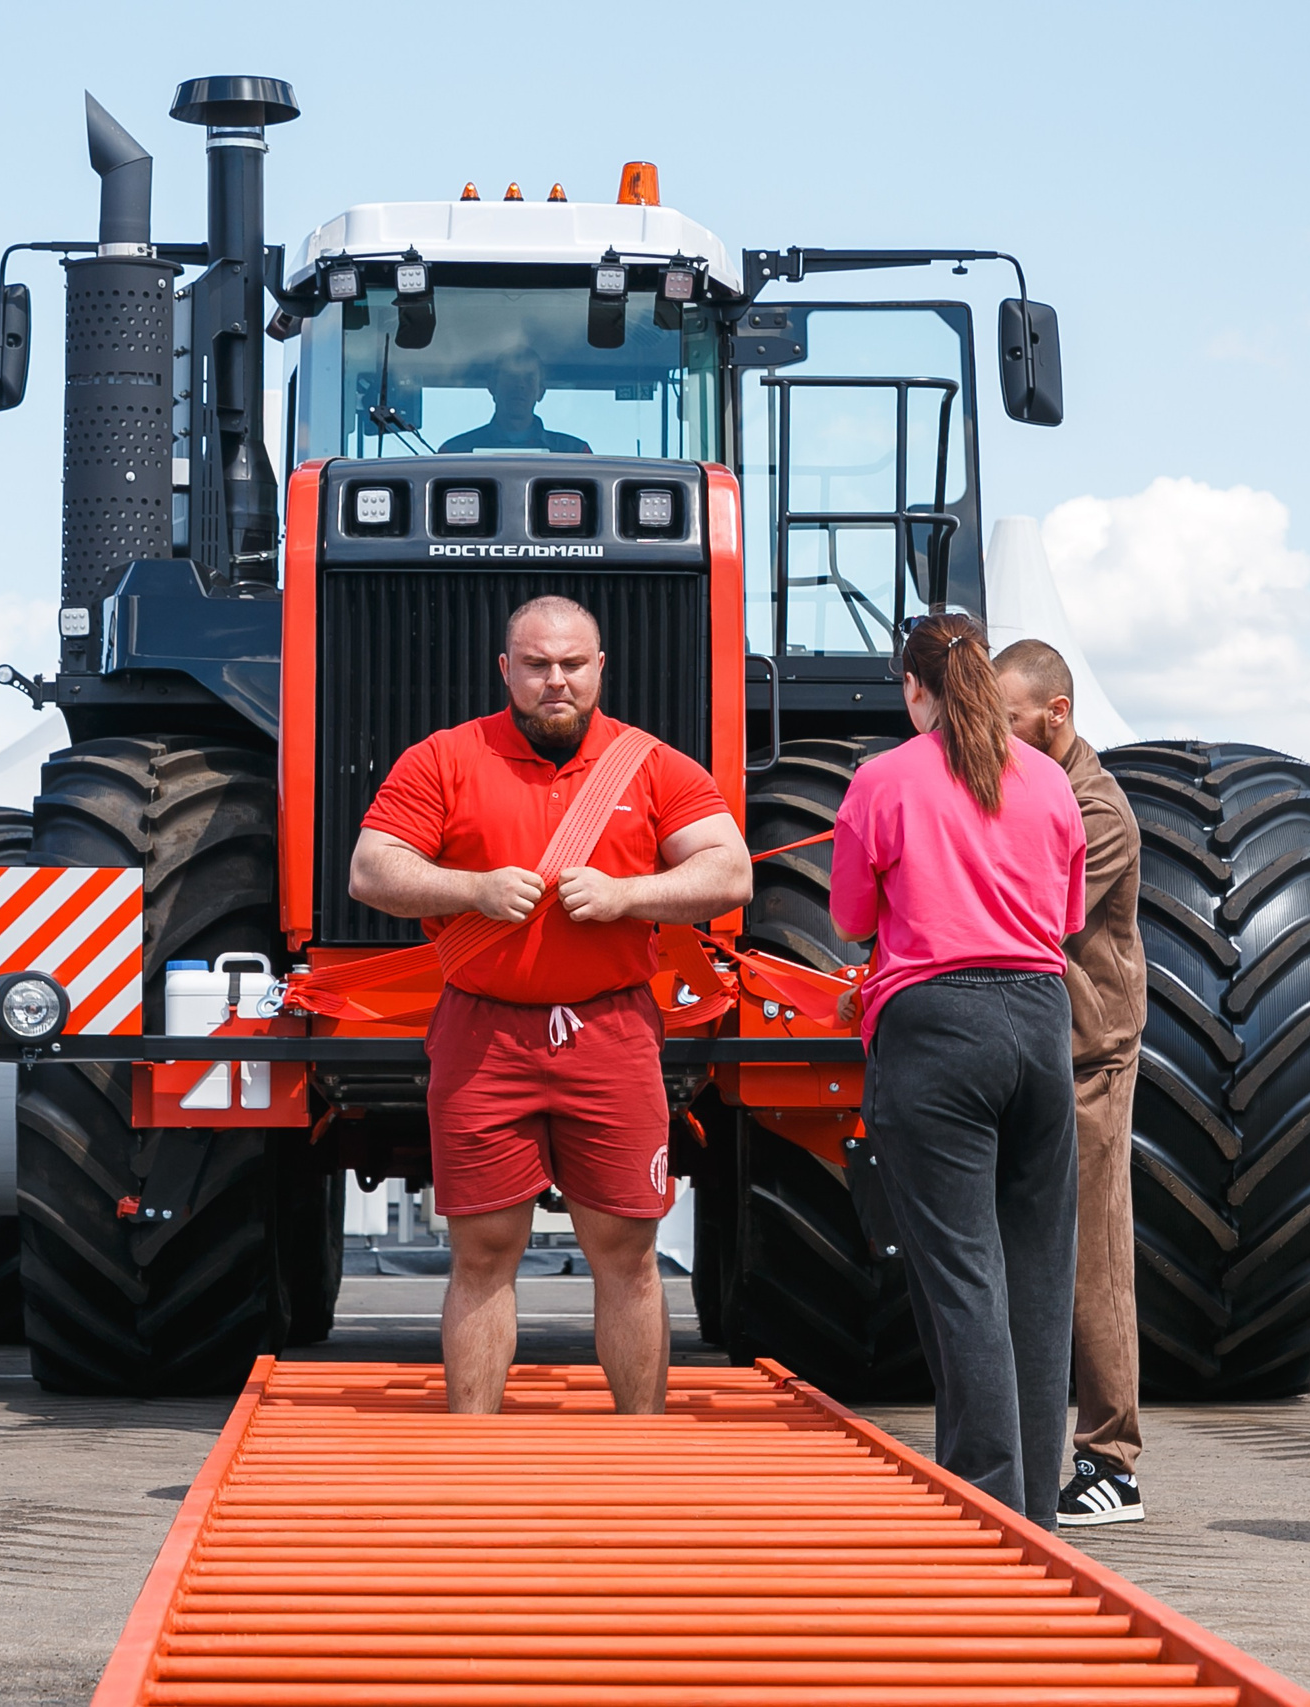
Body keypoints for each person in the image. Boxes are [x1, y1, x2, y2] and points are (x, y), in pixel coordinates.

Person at [350, 596, 751, 1414]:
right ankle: (472, 1458)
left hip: (611, 1031)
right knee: (483, 1251)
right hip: (482, 1033)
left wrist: (628, 894)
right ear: (507, 670)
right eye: (536, 665)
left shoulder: (654, 765)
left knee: (628, 1251)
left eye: (572, 664)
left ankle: (639, 1450)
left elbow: (730, 872)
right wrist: (472, 887)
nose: (555, 681)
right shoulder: (444, 758)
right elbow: (372, 869)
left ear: (601, 668)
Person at [831, 611, 1087, 1526]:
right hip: (1041, 1019)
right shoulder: (1052, 781)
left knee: (963, 1272)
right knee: (1039, 1271)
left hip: (936, 1027)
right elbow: (1064, 917)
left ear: (914, 689)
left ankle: (985, 1501)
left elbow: (853, 916)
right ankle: (1035, 1511)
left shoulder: (882, 779)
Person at [996, 638, 1149, 1527]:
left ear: (1055, 714)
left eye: (1010, 720)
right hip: (1032, 1044)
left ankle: (1111, 1458)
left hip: (1088, 1051)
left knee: (1093, 1251)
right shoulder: (1038, 784)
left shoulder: (1096, 811)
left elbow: (1028, 908)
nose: (998, 735)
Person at [439, 351, 593, 454]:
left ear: (541, 392)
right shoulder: (453, 452)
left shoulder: (576, 453)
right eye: (511, 376)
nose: (520, 385)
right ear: (492, 386)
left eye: (529, 378)